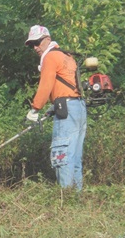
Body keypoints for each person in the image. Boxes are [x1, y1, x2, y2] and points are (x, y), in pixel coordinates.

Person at [24, 25, 87, 190]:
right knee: (74, 156)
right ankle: (77, 196)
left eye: (37, 42)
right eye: (32, 45)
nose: (35, 47)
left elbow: (45, 86)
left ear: (47, 39)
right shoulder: (66, 56)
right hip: (78, 107)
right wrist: (53, 107)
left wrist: (35, 109)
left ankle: (65, 199)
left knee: (62, 154)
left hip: (66, 109)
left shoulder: (50, 57)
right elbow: (67, 87)